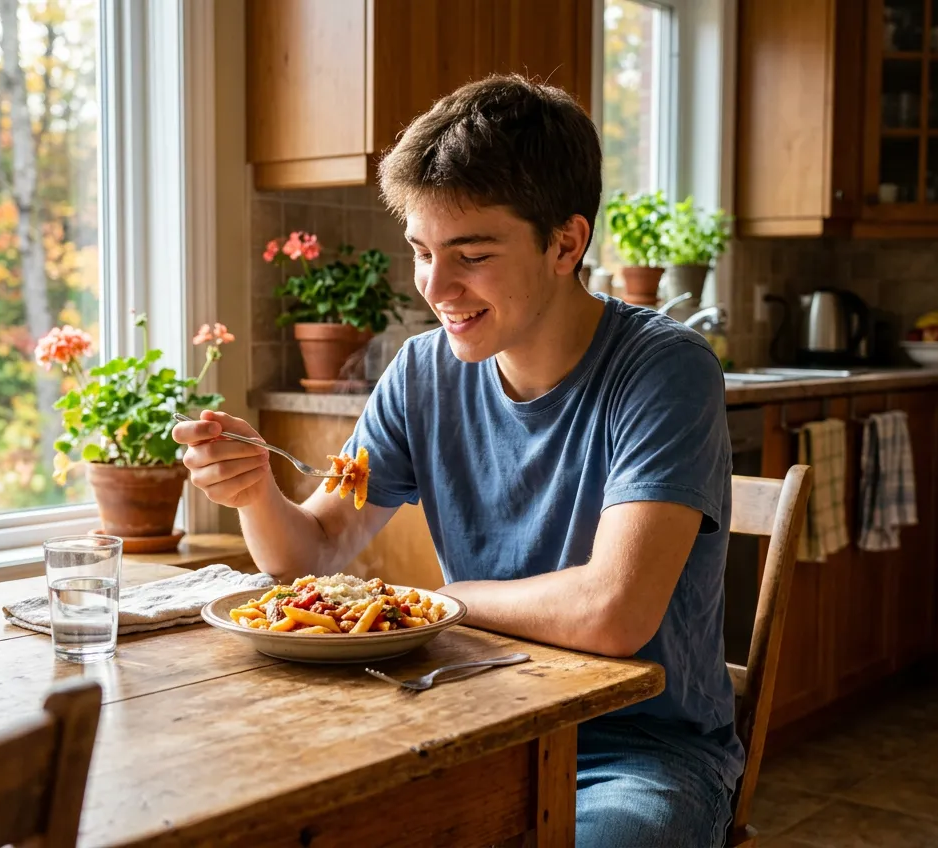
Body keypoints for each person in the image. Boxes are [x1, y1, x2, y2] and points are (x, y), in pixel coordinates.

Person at [173, 74, 742, 846]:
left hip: (632, 753)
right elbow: (311, 552)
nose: (436, 288)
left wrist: (444, 601)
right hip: (467, 720)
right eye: (419, 251)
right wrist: (253, 493)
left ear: (566, 243)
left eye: (471, 254)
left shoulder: (663, 369)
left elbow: (614, 613)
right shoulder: (422, 371)